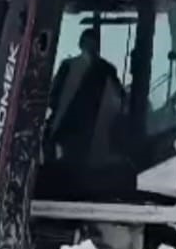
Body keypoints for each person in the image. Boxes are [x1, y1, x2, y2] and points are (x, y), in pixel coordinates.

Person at [47, 28, 127, 167]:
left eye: (93, 43)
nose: (92, 47)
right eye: (90, 43)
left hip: (87, 129)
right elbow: (53, 96)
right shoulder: (103, 68)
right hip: (74, 129)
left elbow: (53, 96)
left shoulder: (102, 69)